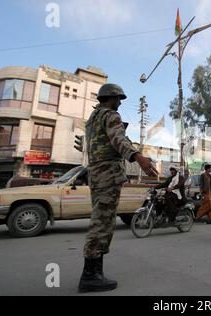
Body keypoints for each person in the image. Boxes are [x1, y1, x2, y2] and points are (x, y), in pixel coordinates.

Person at [79, 83, 158, 293]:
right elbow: (119, 140)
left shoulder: (92, 119)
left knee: (99, 219)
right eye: (118, 99)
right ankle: (90, 275)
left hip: (95, 173)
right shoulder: (110, 115)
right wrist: (138, 157)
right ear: (110, 98)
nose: (120, 103)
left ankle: (94, 272)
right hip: (107, 174)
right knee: (102, 222)